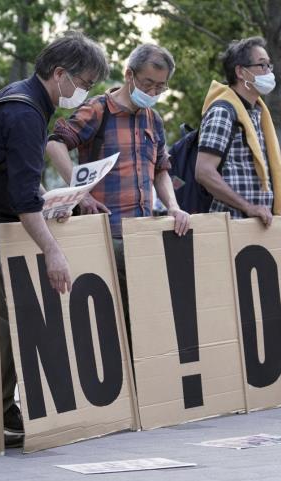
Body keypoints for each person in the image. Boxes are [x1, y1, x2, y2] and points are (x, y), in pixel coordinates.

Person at [0, 31, 109, 445]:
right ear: (60, 74)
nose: (85, 93)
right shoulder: (25, 113)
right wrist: (53, 251)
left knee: (6, 321)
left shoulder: (22, 99)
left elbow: (19, 184)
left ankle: (2, 409)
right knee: (6, 324)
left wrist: (51, 200)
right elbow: (21, 197)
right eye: (85, 83)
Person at [46, 43, 190, 348]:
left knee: (144, 324)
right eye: (148, 83)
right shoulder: (98, 109)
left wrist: (174, 207)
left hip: (143, 235)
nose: (153, 92)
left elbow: (161, 169)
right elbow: (54, 143)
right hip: (104, 235)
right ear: (129, 75)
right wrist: (79, 192)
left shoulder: (154, 119)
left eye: (161, 87)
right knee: (107, 326)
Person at [194, 36, 281, 225]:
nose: (269, 73)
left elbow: (261, 173)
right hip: (231, 225)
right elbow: (204, 171)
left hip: (256, 226)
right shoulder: (223, 111)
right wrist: (248, 206)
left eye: (269, 66)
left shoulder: (256, 112)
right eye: (262, 65)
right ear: (241, 71)